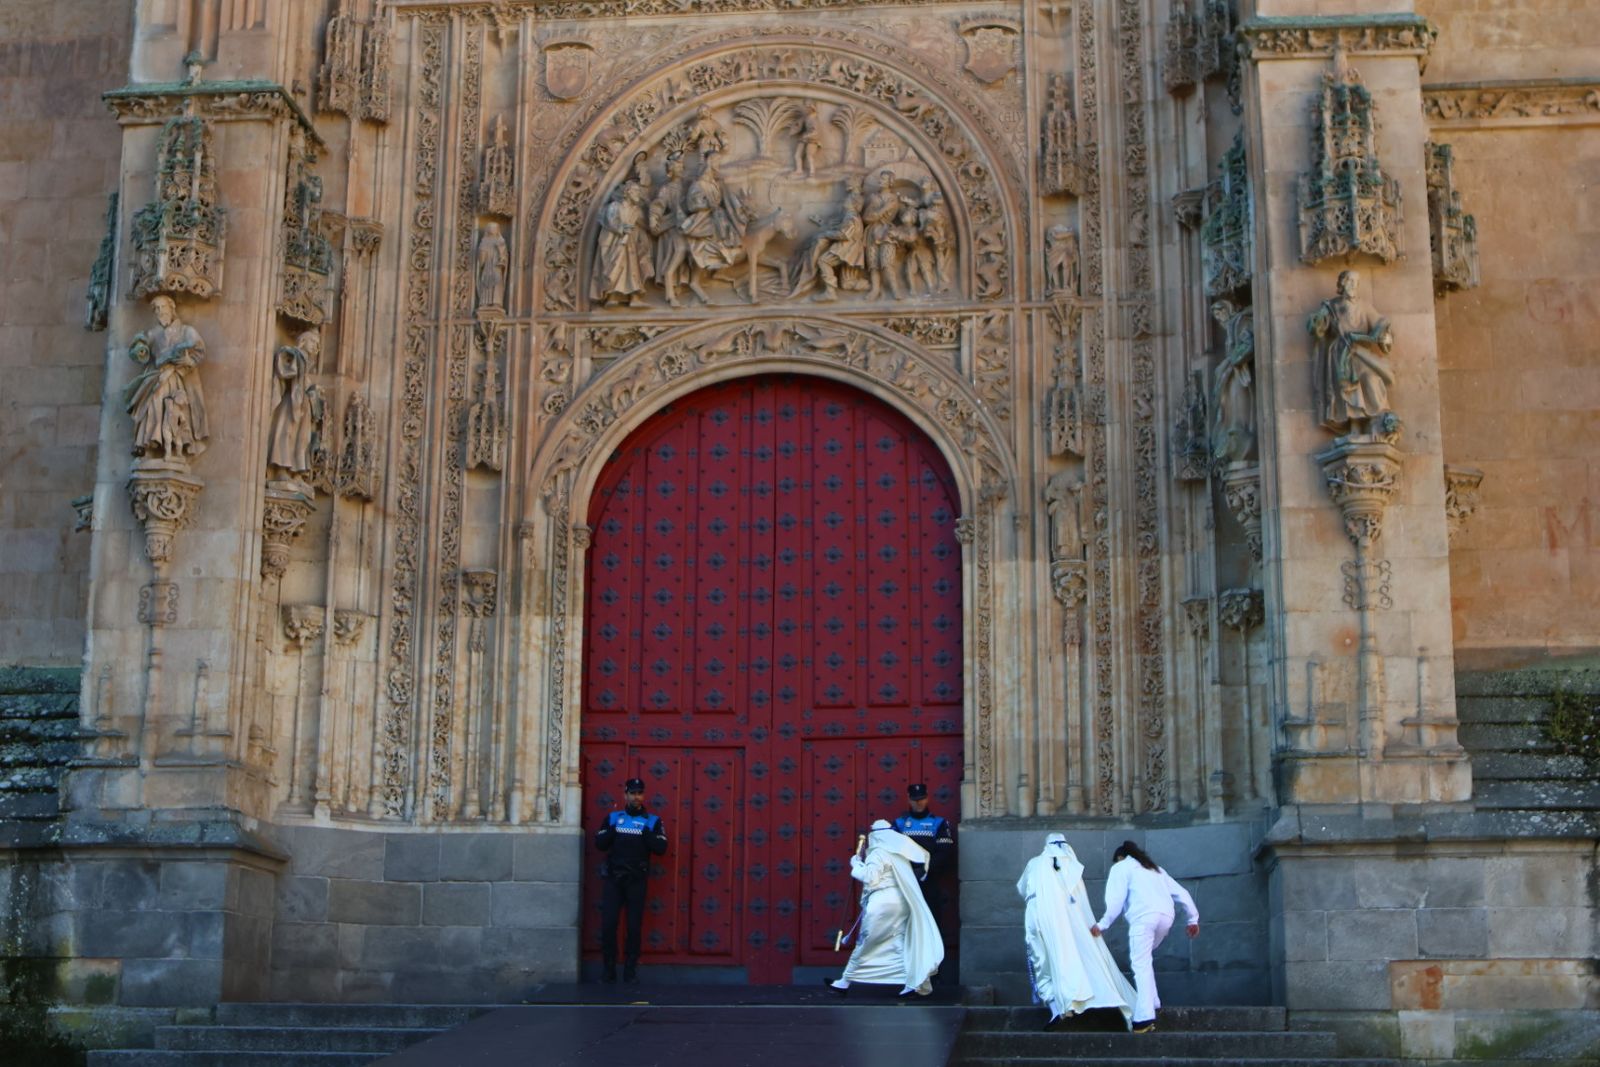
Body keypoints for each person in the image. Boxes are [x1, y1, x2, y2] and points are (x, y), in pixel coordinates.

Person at [1017, 834, 1135, 1030]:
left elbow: (1022, 888)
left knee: (1043, 961)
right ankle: (1069, 1001)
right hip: (1061, 922)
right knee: (1064, 958)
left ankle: (1057, 1006)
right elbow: (1080, 906)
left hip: (1035, 914)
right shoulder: (1071, 867)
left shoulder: (1035, 863)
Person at [1090, 840, 1200, 1033]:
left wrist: (1102, 924)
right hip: (1166, 917)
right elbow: (1181, 892)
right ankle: (1154, 1001)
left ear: (1119, 858)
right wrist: (1192, 919)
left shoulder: (1121, 867)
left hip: (1143, 917)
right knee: (1145, 959)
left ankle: (1144, 1017)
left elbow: (1115, 900)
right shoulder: (1155, 869)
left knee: (1140, 964)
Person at [828, 820, 943, 997]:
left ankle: (845, 981)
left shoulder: (877, 853)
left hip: (882, 903)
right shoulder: (898, 854)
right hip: (901, 902)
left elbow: (871, 877)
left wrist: (856, 865)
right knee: (897, 942)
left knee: (867, 941)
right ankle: (910, 982)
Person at [594, 777, 668, 983]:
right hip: (614, 879)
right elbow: (599, 844)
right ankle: (608, 970)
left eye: (639, 793)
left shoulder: (653, 821)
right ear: (625, 795)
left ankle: (630, 970)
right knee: (609, 924)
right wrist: (614, 829)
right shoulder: (612, 818)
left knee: (634, 926)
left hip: (636, 879)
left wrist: (644, 832)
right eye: (633, 793)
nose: (636, 797)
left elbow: (661, 848)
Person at [1307, 269, 1395, 437]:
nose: (1353, 285)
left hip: (1361, 352)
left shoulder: (1364, 306)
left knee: (1371, 379)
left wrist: (1384, 336)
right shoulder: (1332, 305)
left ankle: (1376, 421)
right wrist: (1318, 321)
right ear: (1342, 283)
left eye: (1356, 282)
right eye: (1350, 281)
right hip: (1341, 355)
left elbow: (1380, 324)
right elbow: (1318, 327)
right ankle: (1354, 426)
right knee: (1348, 390)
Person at [125, 295, 209, 462]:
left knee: (173, 411)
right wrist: (140, 350)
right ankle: (148, 444)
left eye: (162, 307)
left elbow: (199, 350)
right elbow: (139, 348)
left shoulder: (186, 331)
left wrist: (188, 361)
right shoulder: (153, 333)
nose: (159, 311)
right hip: (157, 376)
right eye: (156, 309)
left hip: (176, 378)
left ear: (172, 308)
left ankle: (174, 449)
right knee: (151, 407)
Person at [892, 782, 955, 933]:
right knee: (905, 923)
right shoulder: (899, 824)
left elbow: (944, 852)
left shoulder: (938, 823)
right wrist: (907, 871)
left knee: (931, 921)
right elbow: (892, 852)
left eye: (921, 798)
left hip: (929, 880)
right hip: (904, 880)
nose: (918, 802)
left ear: (927, 799)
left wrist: (925, 870)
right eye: (915, 799)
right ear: (908, 799)